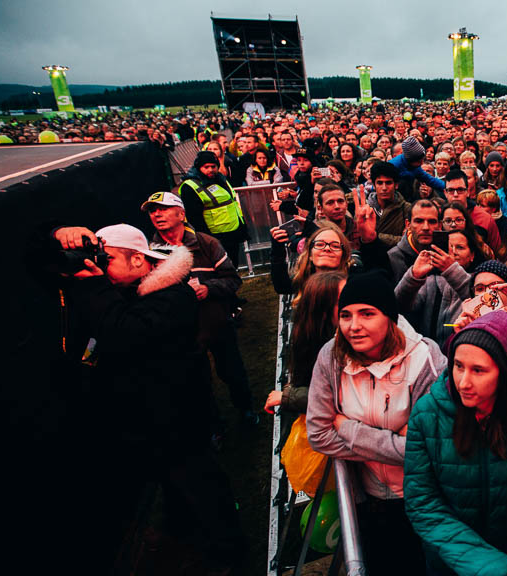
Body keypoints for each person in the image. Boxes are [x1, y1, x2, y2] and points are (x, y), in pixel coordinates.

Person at [51, 223, 242, 570]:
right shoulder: (127, 291)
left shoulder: (175, 296)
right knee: (176, 491)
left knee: (202, 490)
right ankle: (184, 537)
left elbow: (125, 333)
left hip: (180, 422)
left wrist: (92, 283)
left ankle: (228, 555)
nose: (99, 267)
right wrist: (61, 233)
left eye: (106, 259)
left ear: (139, 261)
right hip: (148, 423)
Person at [307, 270, 447, 576]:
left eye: (367, 314)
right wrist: (396, 442)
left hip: (424, 497)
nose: (353, 326)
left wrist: (347, 427)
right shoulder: (330, 357)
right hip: (367, 499)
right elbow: (318, 435)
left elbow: (431, 448)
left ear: (390, 317)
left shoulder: (426, 359)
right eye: (346, 315)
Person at [404, 311, 507, 576]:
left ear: (504, 371)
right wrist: (483, 563)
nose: (464, 382)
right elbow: (422, 501)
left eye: (478, 370)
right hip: (451, 563)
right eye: (458, 365)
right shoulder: (427, 413)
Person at [142, 191, 256, 426]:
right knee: (196, 381)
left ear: (181, 214)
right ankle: (213, 426)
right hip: (181, 332)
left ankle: (246, 410)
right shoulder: (148, 251)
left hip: (217, 324)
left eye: (162, 208)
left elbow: (233, 280)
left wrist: (208, 288)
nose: (156, 214)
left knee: (232, 372)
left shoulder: (207, 243)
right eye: (152, 211)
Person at [264, 271, 346, 417]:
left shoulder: (355, 341)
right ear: (323, 309)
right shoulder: (312, 342)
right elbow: (328, 394)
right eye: (342, 300)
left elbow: (349, 397)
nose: (352, 303)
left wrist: (289, 397)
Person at [178, 150, 248, 260]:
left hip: (232, 229)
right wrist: (205, 238)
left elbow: (232, 202)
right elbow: (194, 217)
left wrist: (242, 225)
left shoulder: (220, 179)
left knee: (233, 262)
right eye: (206, 167)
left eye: (213, 166)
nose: (211, 170)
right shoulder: (190, 186)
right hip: (214, 234)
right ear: (199, 167)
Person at [388, 198, 441, 280]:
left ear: (439, 226)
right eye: (419, 221)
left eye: (432, 221)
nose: (426, 227)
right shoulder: (392, 259)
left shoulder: (445, 256)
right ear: (408, 225)